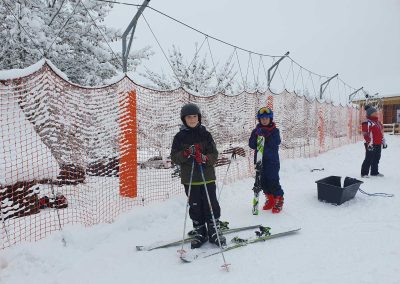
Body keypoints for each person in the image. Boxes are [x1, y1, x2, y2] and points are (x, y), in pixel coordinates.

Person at [170, 103, 226, 249]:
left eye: (195, 116)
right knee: (195, 205)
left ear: (199, 117)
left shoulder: (205, 134)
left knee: (211, 203)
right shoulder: (179, 137)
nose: (192, 119)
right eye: (189, 117)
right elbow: (175, 158)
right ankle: (200, 230)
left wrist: (205, 158)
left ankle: (214, 229)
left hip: (207, 177)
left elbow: (214, 154)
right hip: (190, 179)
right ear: (184, 119)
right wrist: (186, 153)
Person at [249, 107, 284, 213]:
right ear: (259, 120)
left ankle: (279, 200)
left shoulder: (275, 131)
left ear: (270, 119)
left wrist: (267, 135)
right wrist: (256, 135)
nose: (264, 120)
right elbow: (251, 144)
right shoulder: (256, 131)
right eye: (262, 118)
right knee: (262, 182)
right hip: (260, 162)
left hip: (272, 162)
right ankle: (270, 199)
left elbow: (276, 143)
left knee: (273, 181)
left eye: (266, 118)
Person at [361, 105, 387, 178]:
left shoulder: (378, 122)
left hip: (378, 143)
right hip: (371, 144)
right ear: (370, 113)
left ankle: (374, 172)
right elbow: (365, 133)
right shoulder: (367, 122)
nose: (376, 113)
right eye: (375, 112)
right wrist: (369, 142)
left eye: (376, 112)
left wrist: (383, 141)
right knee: (369, 158)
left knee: (376, 158)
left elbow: (381, 133)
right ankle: (364, 173)